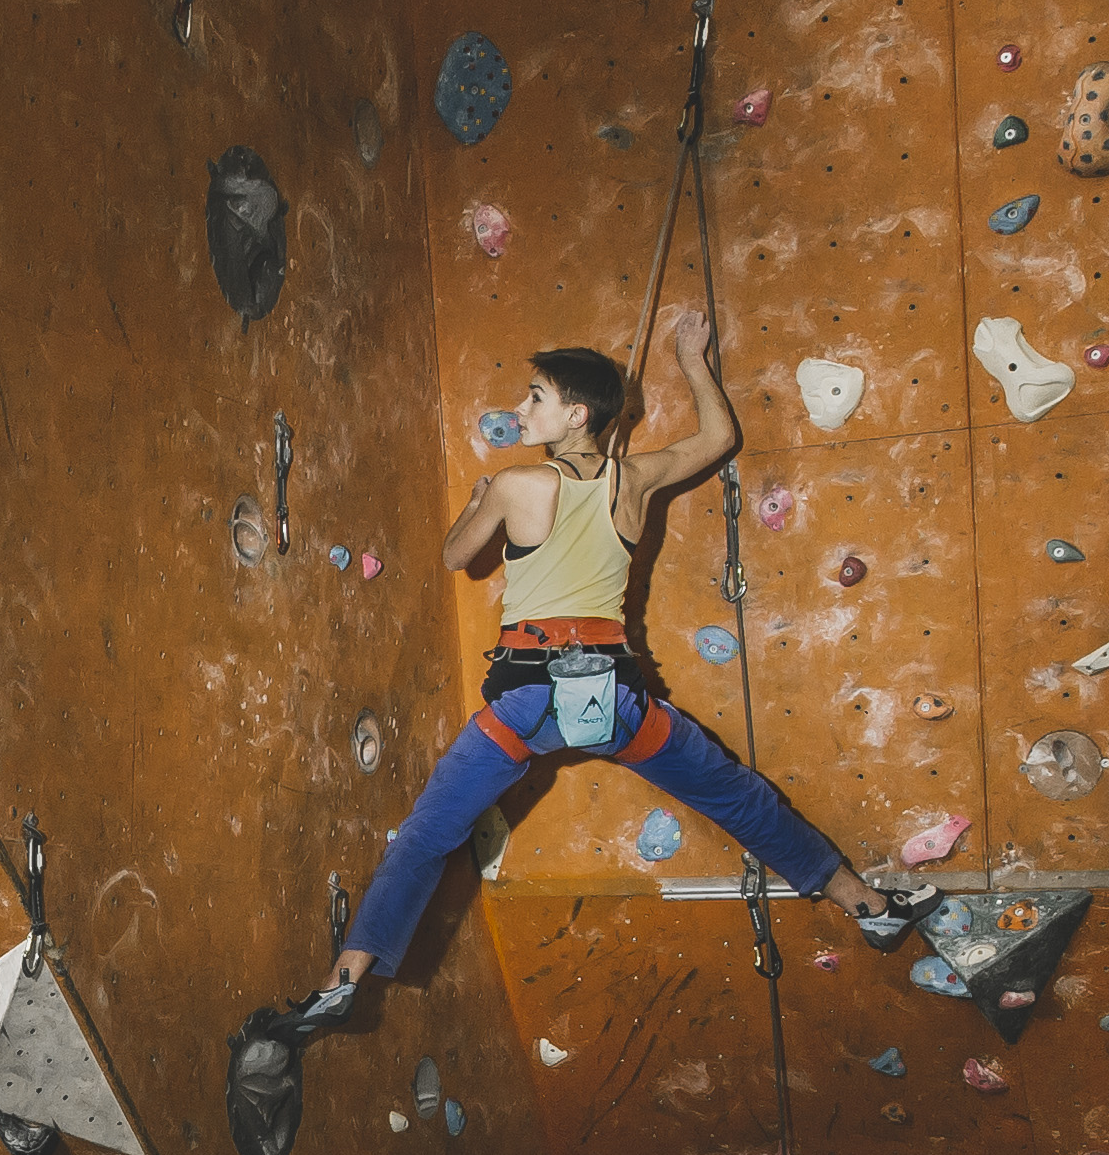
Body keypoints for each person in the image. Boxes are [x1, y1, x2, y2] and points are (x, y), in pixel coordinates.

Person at [288, 345, 888, 1037]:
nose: (522, 409)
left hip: (526, 702)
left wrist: (481, 501)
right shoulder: (631, 481)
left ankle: (342, 983)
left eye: (535, 397)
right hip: (615, 703)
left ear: (576, 415)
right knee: (731, 792)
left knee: (427, 836)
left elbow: (458, 555)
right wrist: (691, 357)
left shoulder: (516, 484)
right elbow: (719, 439)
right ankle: (863, 900)